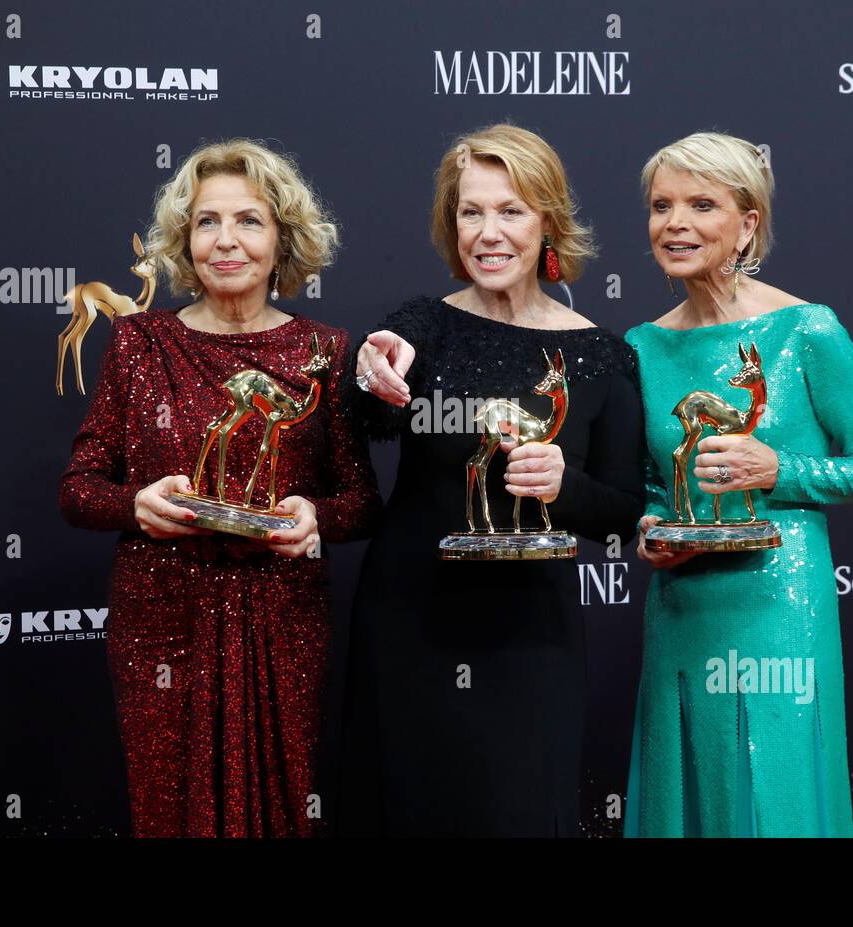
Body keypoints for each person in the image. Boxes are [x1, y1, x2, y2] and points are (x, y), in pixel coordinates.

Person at [59, 139, 380, 837]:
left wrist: (314, 517)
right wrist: (135, 505)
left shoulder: (327, 351)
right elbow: (79, 487)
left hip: (282, 621)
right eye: (207, 222)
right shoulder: (139, 343)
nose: (225, 240)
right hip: (162, 617)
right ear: (184, 238)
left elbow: (361, 499)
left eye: (248, 221)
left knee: (280, 809)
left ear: (283, 238)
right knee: (168, 808)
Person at [337, 124, 645, 836]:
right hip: (410, 626)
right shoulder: (422, 326)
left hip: (530, 642)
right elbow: (369, 407)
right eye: (470, 211)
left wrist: (562, 484)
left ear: (548, 221)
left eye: (511, 210)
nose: (488, 231)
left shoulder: (602, 355)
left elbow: (623, 515)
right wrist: (371, 367)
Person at [625, 131, 853, 837]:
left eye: (701, 204)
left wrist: (779, 470)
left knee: (775, 791)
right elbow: (650, 488)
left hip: (781, 603)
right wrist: (650, 529)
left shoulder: (808, 329)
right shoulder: (639, 347)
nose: (675, 223)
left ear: (748, 223)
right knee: (691, 785)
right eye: (662, 205)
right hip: (684, 608)